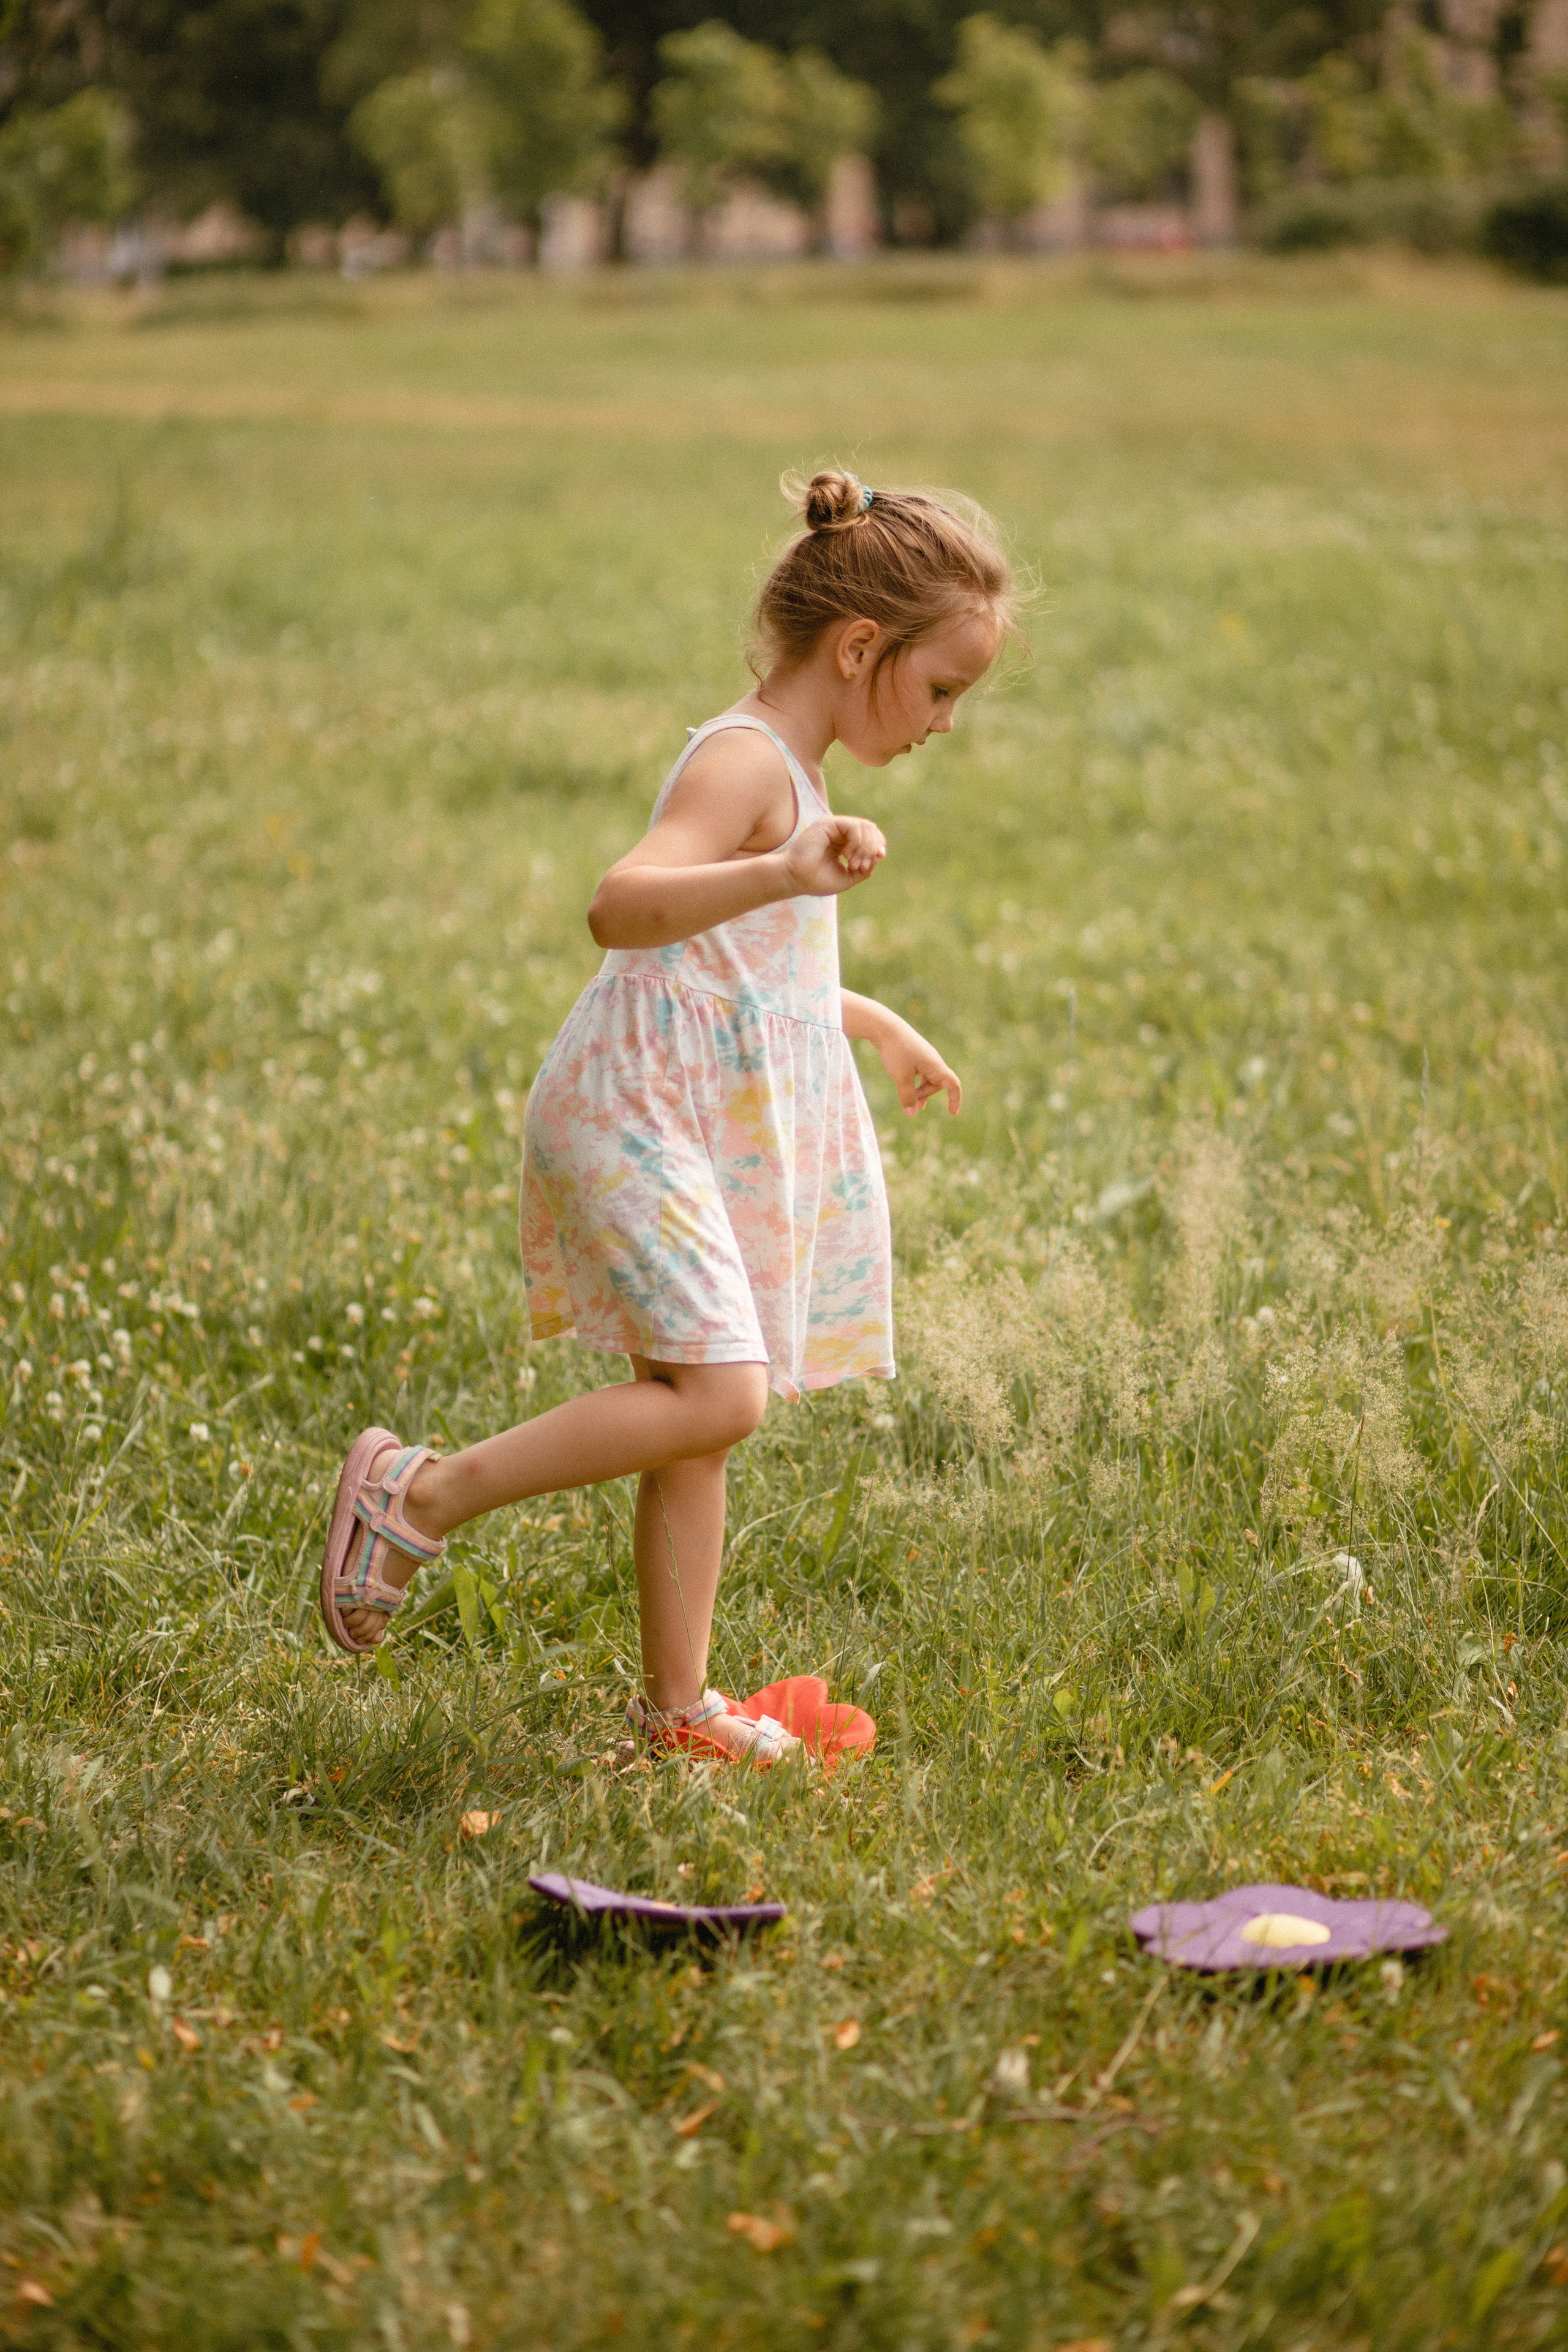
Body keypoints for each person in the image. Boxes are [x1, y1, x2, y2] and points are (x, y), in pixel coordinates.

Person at [318, 468, 1015, 1765]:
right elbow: (623, 906)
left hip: (678, 1114)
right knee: (722, 1398)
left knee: (693, 1415)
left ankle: (678, 1712)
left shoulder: (797, 779)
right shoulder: (747, 761)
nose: (943, 724)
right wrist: (774, 866)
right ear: (858, 647)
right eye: (939, 690)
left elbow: (747, 973)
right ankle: (419, 1491)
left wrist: (872, 1022)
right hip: (628, 1114)